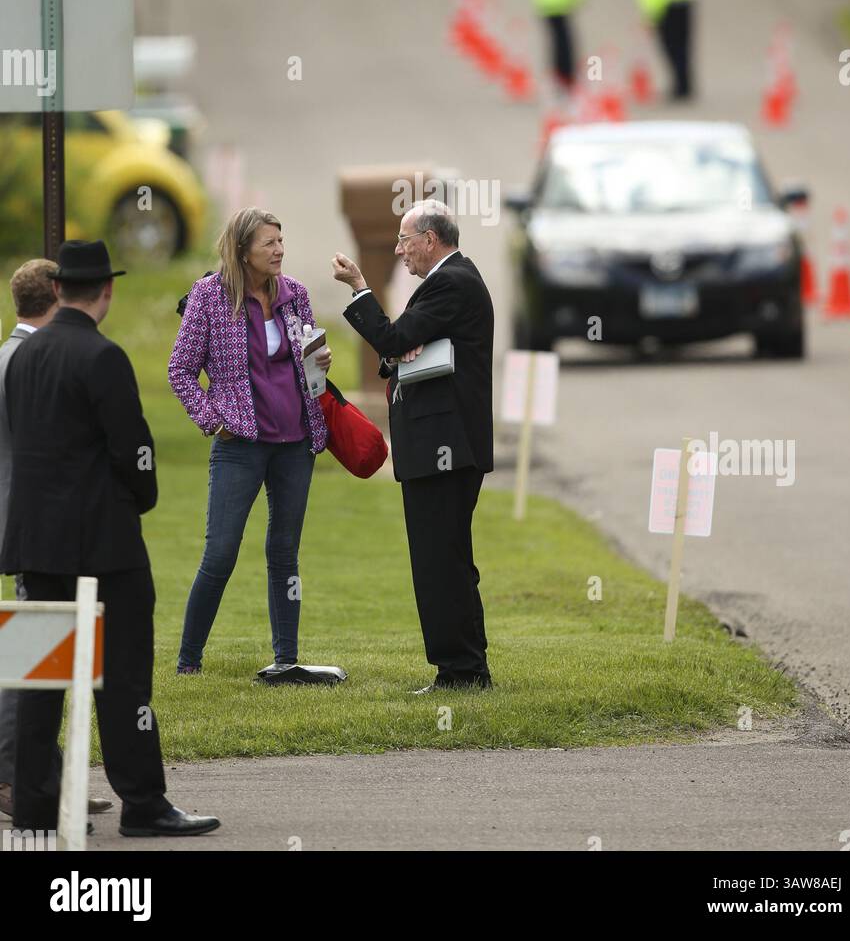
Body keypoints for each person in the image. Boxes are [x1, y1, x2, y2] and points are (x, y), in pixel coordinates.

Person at [0, 239, 219, 838]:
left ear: (59, 289)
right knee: (123, 678)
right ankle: (143, 801)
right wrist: (141, 497)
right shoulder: (103, 357)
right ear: (107, 290)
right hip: (102, 542)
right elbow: (134, 449)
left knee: (40, 679)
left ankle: (36, 806)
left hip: (34, 540)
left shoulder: (22, 357)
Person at [169, 207, 339, 686]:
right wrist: (212, 418)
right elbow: (180, 371)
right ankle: (188, 660)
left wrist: (319, 361)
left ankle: (287, 658)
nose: (279, 250)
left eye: (281, 240)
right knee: (220, 553)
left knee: (285, 551)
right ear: (243, 250)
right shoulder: (209, 297)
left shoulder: (296, 295)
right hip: (239, 445)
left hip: (295, 444)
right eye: (268, 243)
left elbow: (310, 370)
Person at [333, 199, 494, 692]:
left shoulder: (451, 281)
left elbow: (392, 337)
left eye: (405, 241)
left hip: (444, 449)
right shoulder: (450, 282)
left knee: (438, 563)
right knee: (448, 559)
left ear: (429, 239)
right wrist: (398, 347)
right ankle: (467, 668)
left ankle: (459, 672)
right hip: (444, 448)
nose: (401, 251)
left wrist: (361, 288)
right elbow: (401, 346)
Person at [0, 260, 113, 821]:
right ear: (55, 296)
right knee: (31, 661)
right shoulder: (32, 358)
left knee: (37, 658)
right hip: (28, 528)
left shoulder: (10, 355)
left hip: (21, 526)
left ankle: (43, 776)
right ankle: (19, 781)